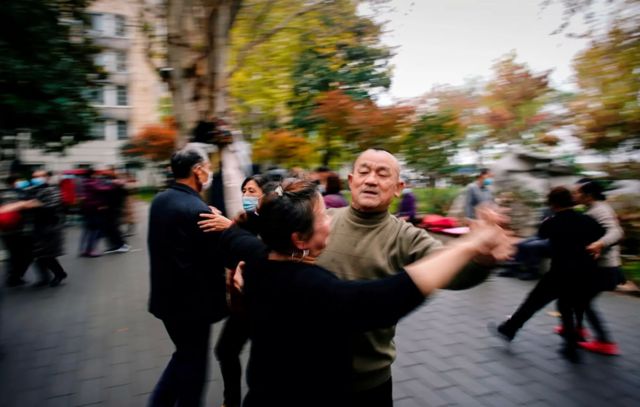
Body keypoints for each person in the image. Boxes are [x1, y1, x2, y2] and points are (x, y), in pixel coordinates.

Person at [223, 179, 511, 407]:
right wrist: (469, 245)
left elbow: (232, 237)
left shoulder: (258, 259)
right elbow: (390, 297)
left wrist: (234, 224)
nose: (330, 220)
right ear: (299, 239)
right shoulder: (313, 287)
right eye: (323, 215)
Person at [316, 149, 501, 406]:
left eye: (382, 174)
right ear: (351, 180)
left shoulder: (407, 237)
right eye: (364, 172)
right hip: (307, 375)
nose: (371, 180)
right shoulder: (321, 222)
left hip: (368, 382)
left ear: (398, 187)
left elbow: (453, 272)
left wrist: (482, 257)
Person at [147, 144, 228, 407]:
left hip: (166, 302)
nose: (210, 173)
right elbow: (217, 258)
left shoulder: (161, 200)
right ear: (197, 170)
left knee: (184, 355)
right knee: (194, 366)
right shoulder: (198, 210)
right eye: (208, 168)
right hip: (193, 307)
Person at [489, 187, 604, 362]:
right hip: (585, 273)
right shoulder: (587, 220)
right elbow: (600, 235)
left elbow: (542, 236)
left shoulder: (552, 222)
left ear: (553, 204)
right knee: (566, 307)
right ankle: (571, 347)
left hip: (560, 272)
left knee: (533, 302)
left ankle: (509, 329)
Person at [198, 174, 275, 407]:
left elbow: (268, 255)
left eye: (252, 191)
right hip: (242, 306)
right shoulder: (241, 220)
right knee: (225, 351)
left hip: (265, 307)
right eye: (244, 190)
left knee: (264, 366)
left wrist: (229, 228)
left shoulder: (275, 221)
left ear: (267, 195)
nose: (246, 196)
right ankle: (230, 401)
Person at [569, 179, 624, 355]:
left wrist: (600, 244)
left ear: (588, 195)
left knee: (582, 301)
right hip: (598, 267)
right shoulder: (592, 209)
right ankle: (578, 329)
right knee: (576, 297)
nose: (574, 195)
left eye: (577, 192)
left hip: (605, 268)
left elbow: (617, 232)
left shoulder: (600, 210)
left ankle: (604, 341)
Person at [29, 170, 68, 287]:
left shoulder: (52, 190)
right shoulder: (33, 190)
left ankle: (59, 273)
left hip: (49, 227)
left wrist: (33, 204)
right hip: (36, 226)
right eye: (34, 177)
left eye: (39, 177)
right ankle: (44, 277)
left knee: (46, 254)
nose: (36, 179)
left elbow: (50, 206)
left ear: (46, 178)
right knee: (38, 254)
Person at [0, 175, 38, 287]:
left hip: (6, 230)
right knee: (27, 254)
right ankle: (15, 277)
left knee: (14, 255)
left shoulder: (3, 193)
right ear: (15, 182)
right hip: (19, 230)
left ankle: (13, 277)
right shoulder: (19, 193)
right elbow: (30, 206)